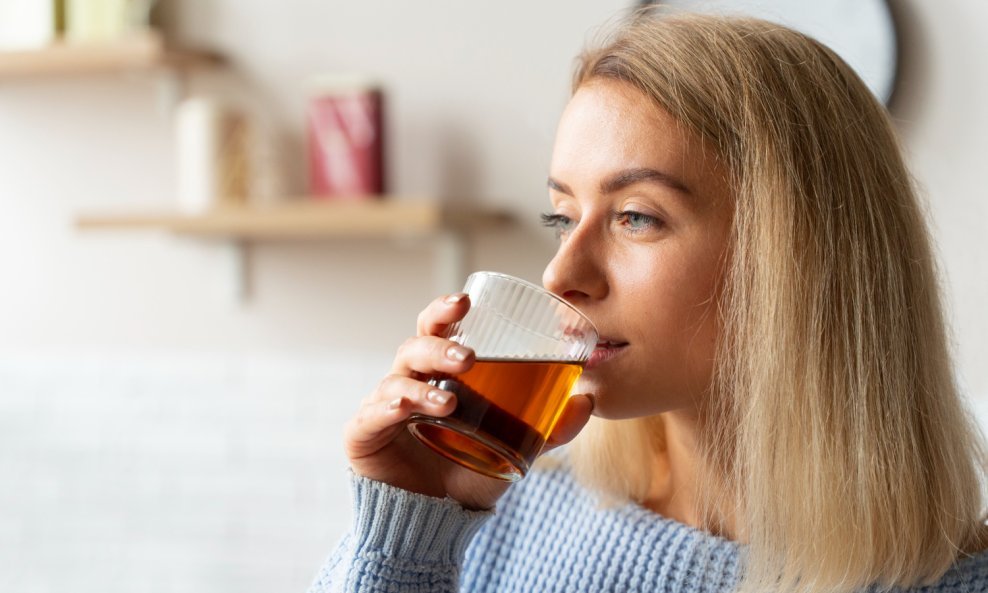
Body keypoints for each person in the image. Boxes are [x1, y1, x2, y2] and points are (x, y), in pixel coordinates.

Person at [308, 10, 988, 593]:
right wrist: (406, 532)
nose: (561, 273)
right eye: (562, 217)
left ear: (801, 257)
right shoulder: (496, 517)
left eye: (636, 217)